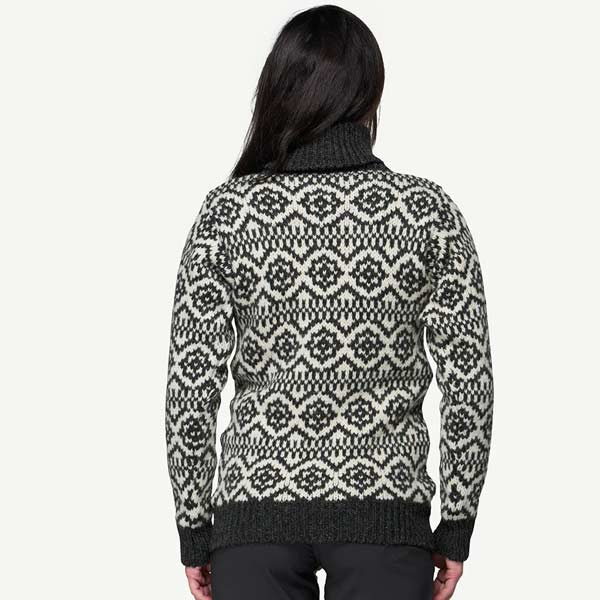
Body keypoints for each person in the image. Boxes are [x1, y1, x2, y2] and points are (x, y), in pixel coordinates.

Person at [165, 5, 494, 600]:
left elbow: (191, 387)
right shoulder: (427, 213)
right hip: (385, 516)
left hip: (254, 516)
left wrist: (195, 529)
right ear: (372, 94)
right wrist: (456, 526)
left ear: (277, 90)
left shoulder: (228, 213)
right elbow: (468, 382)